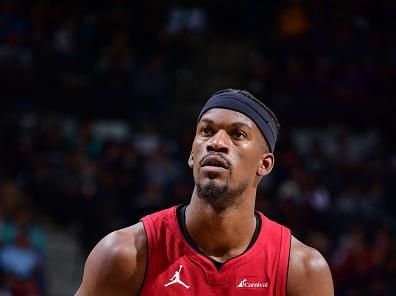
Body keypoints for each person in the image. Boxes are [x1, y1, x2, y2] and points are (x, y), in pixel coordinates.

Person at [75, 89, 334, 295]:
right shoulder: (123, 254)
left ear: (264, 164)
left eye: (237, 134)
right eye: (206, 131)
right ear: (191, 155)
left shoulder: (301, 271)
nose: (216, 143)